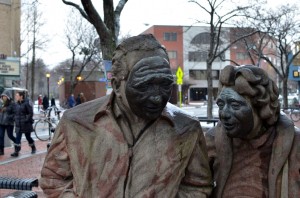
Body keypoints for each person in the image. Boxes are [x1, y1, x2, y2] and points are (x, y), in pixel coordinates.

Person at [40, 34, 212, 197]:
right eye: (144, 85)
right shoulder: (76, 122)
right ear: (116, 85)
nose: (157, 96)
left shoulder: (186, 128)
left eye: (165, 84)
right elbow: (53, 179)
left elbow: (198, 185)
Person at [205, 65, 300, 197]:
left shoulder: (295, 144)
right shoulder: (212, 140)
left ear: (260, 109)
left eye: (235, 105)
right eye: (221, 105)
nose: (224, 114)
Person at [11, 91, 36, 157]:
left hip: (26, 124)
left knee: (28, 137)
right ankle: (16, 151)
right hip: (18, 124)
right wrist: (14, 118)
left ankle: (33, 147)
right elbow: (14, 113)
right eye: (16, 96)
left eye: (17, 95)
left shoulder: (27, 103)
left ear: (21, 96)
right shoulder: (15, 104)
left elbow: (30, 113)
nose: (16, 97)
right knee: (17, 138)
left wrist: (26, 120)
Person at [0, 90, 17, 155]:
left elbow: (15, 114)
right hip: (1, 123)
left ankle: (17, 144)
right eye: (2, 96)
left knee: (10, 136)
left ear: (8, 97)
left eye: (4, 96)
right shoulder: (1, 103)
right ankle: (1, 150)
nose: (3, 97)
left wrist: (8, 116)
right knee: (0, 136)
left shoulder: (12, 104)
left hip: (9, 123)